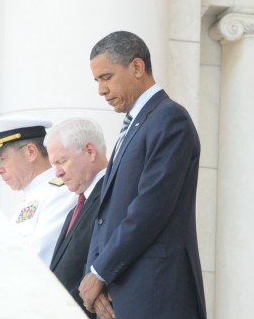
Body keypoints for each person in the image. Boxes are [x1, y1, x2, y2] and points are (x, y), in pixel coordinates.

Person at [79, 31, 206, 319]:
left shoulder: (169, 118)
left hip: (155, 292)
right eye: (97, 80)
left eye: (107, 77)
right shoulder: (134, 126)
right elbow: (104, 215)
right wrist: (94, 276)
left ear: (137, 67)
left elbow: (150, 208)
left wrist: (100, 272)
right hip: (122, 292)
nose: (101, 90)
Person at [0, 116, 76, 264]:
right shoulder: (33, 196)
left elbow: (37, 260)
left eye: (1, 159)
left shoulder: (61, 193)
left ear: (30, 151)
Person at [44, 117, 108, 318]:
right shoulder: (77, 207)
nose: (58, 173)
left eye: (62, 161)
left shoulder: (113, 195)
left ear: (90, 151)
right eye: (54, 164)